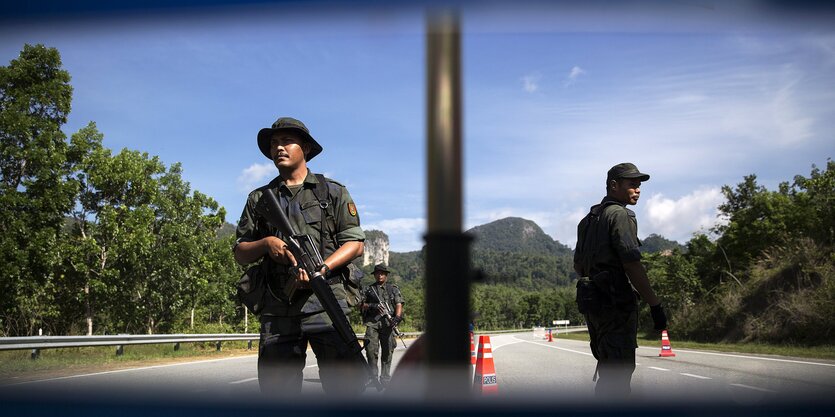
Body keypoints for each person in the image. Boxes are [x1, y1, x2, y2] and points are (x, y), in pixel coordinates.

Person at [233, 116, 366, 396]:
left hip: (327, 304)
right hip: (278, 308)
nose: (278, 148)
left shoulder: (332, 192)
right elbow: (241, 252)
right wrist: (267, 243)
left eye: (286, 141)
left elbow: (354, 243)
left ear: (305, 148)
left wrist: (322, 268)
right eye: (274, 144)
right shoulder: (260, 199)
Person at [573, 162, 668, 399]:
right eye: (632, 184)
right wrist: (655, 305)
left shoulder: (586, 221)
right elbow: (631, 263)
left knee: (608, 371)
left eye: (639, 185)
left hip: (593, 306)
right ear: (614, 186)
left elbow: (578, 265)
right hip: (616, 306)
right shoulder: (620, 215)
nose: (638, 190)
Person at [360, 262, 404, 387]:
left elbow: (399, 303)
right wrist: (373, 306)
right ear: (374, 275)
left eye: (382, 273)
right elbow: (361, 304)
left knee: (387, 351)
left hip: (388, 324)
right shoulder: (369, 289)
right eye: (377, 273)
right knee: (370, 351)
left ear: (386, 275)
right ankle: (372, 378)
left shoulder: (392, 288)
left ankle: (385, 378)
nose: (380, 276)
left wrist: (397, 317)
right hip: (372, 323)